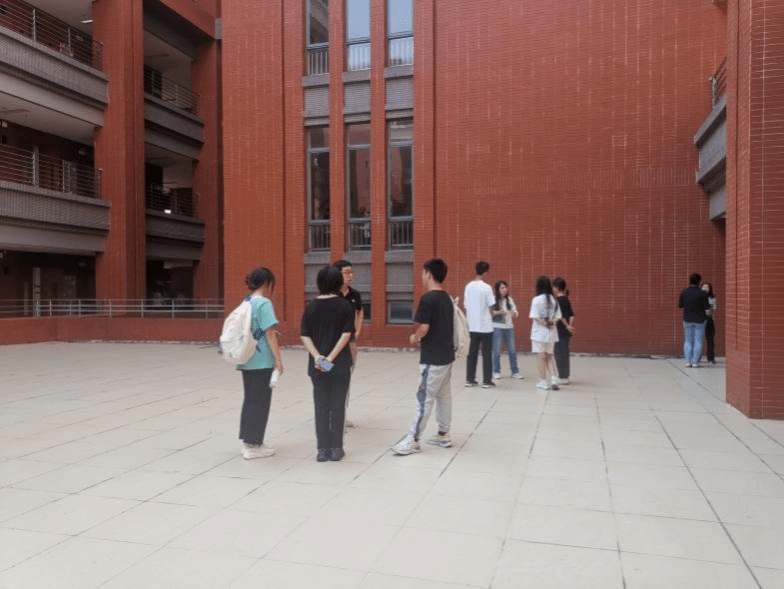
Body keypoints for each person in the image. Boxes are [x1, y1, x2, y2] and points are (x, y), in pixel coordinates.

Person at [392, 258, 456, 455]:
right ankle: (443, 434)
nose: (421, 276)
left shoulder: (428, 299)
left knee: (424, 398)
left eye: (422, 272)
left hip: (433, 359)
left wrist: (415, 337)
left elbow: (424, 327)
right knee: (444, 397)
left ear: (428, 273)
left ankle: (413, 439)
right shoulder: (447, 298)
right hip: (446, 356)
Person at [300, 265, 355, 462]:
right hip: (339, 364)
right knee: (338, 405)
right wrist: (330, 358)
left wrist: (318, 357)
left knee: (321, 405)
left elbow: (304, 335)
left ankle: (322, 449)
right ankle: (336, 448)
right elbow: (346, 335)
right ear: (337, 282)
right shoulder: (345, 306)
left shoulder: (310, 306)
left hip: (317, 366)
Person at [236, 267, 284, 460]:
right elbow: (270, 332)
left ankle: (249, 441)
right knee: (260, 402)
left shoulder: (246, 301)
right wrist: (278, 360)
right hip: (262, 360)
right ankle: (253, 445)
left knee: (250, 400)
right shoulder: (264, 303)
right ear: (266, 283)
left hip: (246, 358)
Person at [333, 259, 363, 427]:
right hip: (332, 345)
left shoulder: (355, 295)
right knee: (331, 377)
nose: (350, 276)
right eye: (346, 272)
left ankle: (341, 415)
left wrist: (357, 331)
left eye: (351, 272)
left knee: (346, 378)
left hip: (349, 344)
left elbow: (360, 312)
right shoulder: (330, 294)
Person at [463, 261, 496, 388]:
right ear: (486, 272)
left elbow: (466, 305)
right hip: (485, 326)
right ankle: (487, 381)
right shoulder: (487, 287)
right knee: (487, 353)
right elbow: (491, 306)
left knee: (472, 353)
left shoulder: (468, 286)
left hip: (472, 325)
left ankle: (470, 379)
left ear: (475, 270)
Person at [529, 275, 562, 390]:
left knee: (541, 357)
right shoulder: (554, 300)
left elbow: (535, 316)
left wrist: (543, 322)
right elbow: (558, 316)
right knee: (549, 357)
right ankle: (554, 379)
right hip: (551, 332)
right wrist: (552, 321)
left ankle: (543, 381)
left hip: (539, 333)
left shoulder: (536, 300)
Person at [491, 280, 523, 380]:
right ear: (497, 289)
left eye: (505, 287)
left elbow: (515, 311)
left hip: (509, 327)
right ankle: (496, 371)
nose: (504, 289)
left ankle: (515, 372)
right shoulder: (493, 299)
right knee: (497, 350)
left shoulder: (509, 299)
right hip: (497, 327)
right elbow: (490, 313)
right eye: (502, 288)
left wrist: (515, 313)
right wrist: (499, 312)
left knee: (512, 350)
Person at [678, 272, 710, 368]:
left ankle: (687, 361)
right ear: (699, 281)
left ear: (690, 281)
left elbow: (680, 305)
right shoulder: (702, 293)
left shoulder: (684, 292)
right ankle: (695, 362)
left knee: (688, 340)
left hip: (687, 318)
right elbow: (707, 306)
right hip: (700, 319)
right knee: (698, 341)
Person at [552, 276, 575, 384]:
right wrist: (569, 325)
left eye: (553, 287)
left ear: (557, 288)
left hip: (559, 331)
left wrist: (566, 326)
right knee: (565, 353)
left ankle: (562, 377)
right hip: (566, 332)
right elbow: (571, 315)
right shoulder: (566, 299)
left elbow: (560, 316)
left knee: (559, 353)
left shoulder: (557, 301)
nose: (552, 289)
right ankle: (566, 376)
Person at [701, 282, 717, 364]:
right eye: (704, 287)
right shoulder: (699, 297)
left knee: (710, 338)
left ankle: (711, 357)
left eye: (707, 287)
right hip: (700, 318)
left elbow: (713, 310)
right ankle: (697, 357)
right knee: (699, 338)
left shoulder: (712, 298)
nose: (705, 288)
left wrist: (713, 319)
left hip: (709, 318)